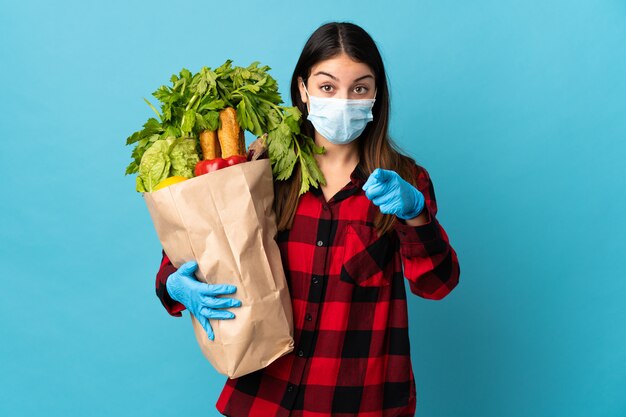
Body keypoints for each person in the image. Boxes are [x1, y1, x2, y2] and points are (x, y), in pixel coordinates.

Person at [155, 21, 460, 417]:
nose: (344, 100)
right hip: (263, 397)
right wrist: (176, 284)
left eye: (360, 88)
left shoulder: (403, 183)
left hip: (357, 403)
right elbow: (187, 250)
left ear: (376, 95)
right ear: (303, 89)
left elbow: (436, 284)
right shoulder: (263, 173)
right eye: (328, 86)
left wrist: (416, 214)